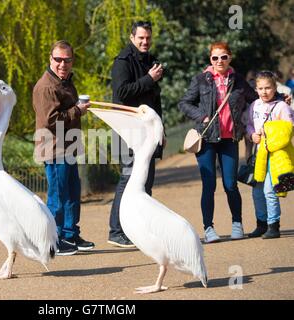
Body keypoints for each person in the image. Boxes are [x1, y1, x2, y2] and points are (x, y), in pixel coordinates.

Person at [179, 41, 258, 243]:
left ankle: (237, 224)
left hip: (229, 139)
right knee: (209, 185)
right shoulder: (201, 80)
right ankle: (209, 228)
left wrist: (278, 98)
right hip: (206, 139)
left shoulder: (238, 80)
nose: (219, 61)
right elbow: (184, 103)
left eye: (223, 57)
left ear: (229, 57)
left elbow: (256, 98)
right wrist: (202, 116)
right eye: (215, 57)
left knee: (231, 184)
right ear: (210, 60)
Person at [32, 40, 94, 255]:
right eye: (58, 59)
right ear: (50, 59)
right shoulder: (46, 86)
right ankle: (53, 240)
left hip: (68, 148)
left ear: (72, 61)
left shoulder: (65, 81)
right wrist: (77, 110)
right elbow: (51, 121)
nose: (62, 64)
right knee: (57, 197)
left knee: (72, 194)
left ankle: (70, 234)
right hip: (54, 150)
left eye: (67, 60)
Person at [107, 21, 165, 248]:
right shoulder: (122, 62)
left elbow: (154, 101)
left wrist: (161, 130)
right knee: (128, 177)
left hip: (148, 131)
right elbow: (122, 93)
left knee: (145, 180)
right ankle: (116, 230)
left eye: (148, 38)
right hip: (128, 131)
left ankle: (137, 229)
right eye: (141, 38)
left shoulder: (151, 61)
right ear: (132, 38)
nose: (145, 42)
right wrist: (149, 79)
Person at [245, 71, 294, 239]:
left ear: (275, 88)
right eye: (260, 88)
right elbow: (249, 125)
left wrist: (269, 136)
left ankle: (274, 225)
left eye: (268, 88)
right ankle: (261, 223)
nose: (264, 92)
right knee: (257, 191)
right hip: (259, 156)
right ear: (256, 89)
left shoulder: (282, 107)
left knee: (269, 191)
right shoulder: (254, 105)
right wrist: (252, 135)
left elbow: (289, 130)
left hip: (275, 156)